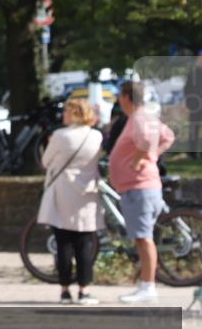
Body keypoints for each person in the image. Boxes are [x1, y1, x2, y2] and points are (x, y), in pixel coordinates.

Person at [111, 81, 175, 303]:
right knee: (143, 237)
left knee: (143, 238)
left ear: (127, 97)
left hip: (139, 187)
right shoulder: (144, 116)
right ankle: (147, 285)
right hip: (141, 187)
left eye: (120, 95)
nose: (118, 99)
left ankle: (148, 286)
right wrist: (153, 155)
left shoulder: (138, 118)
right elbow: (168, 136)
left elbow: (147, 140)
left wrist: (139, 160)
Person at [37, 98, 105, 305]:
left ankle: (65, 290)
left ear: (75, 113)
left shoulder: (60, 136)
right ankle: (84, 290)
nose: (63, 115)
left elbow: (46, 161)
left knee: (63, 243)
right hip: (87, 193)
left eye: (67, 112)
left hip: (63, 191)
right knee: (85, 244)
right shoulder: (96, 136)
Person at [185, 52, 202, 159]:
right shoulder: (192, 74)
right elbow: (187, 89)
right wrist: (188, 104)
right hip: (195, 106)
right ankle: (192, 153)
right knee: (193, 129)